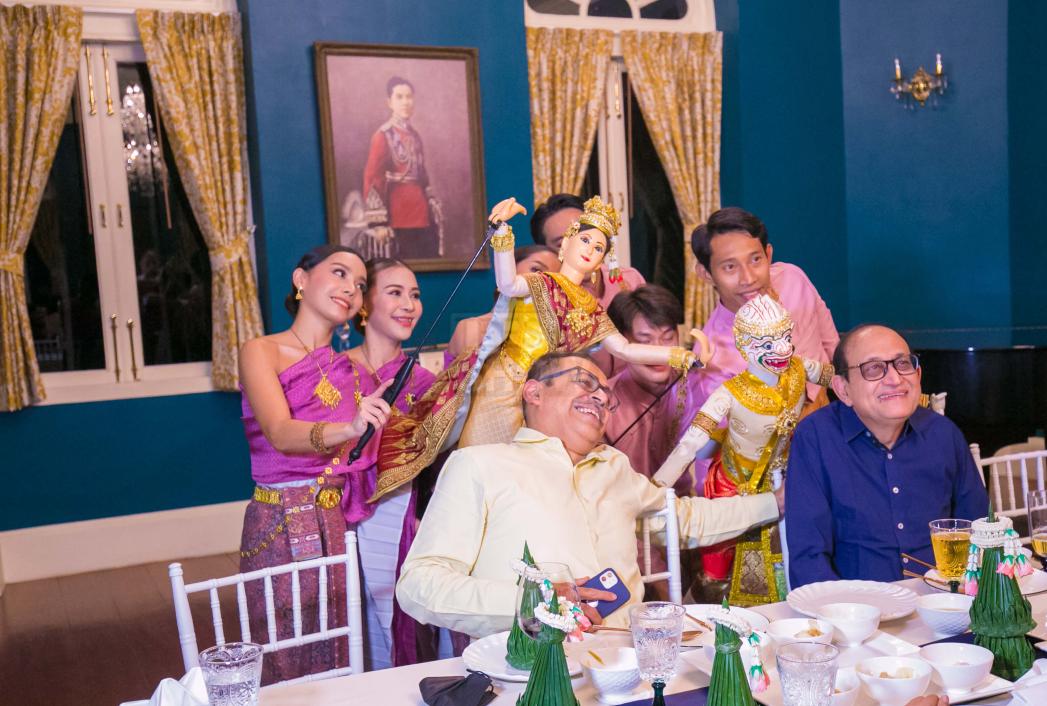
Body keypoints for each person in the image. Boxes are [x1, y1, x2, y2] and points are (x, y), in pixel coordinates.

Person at [395, 351, 783, 637]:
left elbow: (684, 520)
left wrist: (776, 503)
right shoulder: (480, 465)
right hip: (538, 663)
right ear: (534, 392)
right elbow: (419, 584)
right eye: (584, 382)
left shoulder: (614, 468)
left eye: (607, 396)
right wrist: (535, 601)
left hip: (634, 656)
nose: (600, 397)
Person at [369, 196, 713, 507]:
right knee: (482, 466)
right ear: (567, 243)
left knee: (535, 483)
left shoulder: (591, 310)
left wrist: (680, 356)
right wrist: (503, 234)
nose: (590, 250)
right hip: (503, 384)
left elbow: (624, 349)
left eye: (599, 247)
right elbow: (507, 284)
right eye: (585, 240)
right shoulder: (540, 283)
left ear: (602, 262)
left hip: (549, 399)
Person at [237, 245, 394, 683]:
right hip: (278, 521)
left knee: (338, 649)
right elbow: (279, 432)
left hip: (335, 521)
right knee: (282, 649)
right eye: (339, 273)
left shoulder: (356, 374)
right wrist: (349, 429)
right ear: (301, 279)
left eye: (360, 284)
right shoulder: (261, 351)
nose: (350, 289)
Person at [655, 295, 834, 606]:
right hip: (735, 483)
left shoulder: (799, 367)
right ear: (745, 346)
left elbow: (840, 378)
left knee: (803, 552)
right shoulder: (729, 393)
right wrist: (654, 490)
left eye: (786, 337)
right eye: (768, 344)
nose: (783, 349)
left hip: (788, 478)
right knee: (717, 571)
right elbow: (691, 443)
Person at [785, 324, 989, 587]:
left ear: (918, 374)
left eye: (903, 364)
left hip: (943, 600)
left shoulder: (943, 434)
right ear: (843, 389)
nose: (894, 379)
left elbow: (981, 533)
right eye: (873, 368)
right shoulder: (816, 438)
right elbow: (809, 559)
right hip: (856, 606)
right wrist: (845, 610)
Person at [343, 258, 437, 669]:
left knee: (393, 621)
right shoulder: (333, 372)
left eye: (414, 295)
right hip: (337, 513)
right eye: (395, 293)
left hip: (398, 514)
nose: (409, 305)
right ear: (364, 303)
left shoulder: (425, 383)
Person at [603, 284, 692, 491]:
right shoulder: (604, 402)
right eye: (644, 340)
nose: (659, 351)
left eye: (668, 338)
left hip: (686, 505)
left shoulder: (693, 388)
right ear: (621, 344)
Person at [362, 76, 442, 259]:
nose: (405, 102)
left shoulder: (415, 135)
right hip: (398, 215)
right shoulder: (383, 135)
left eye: (409, 97)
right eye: (399, 97)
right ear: (389, 102)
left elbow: (422, 175)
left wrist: (432, 203)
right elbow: (372, 177)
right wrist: (378, 223)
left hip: (422, 214)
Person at [445, 244, 560, 362]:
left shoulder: (552, 338)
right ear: (507, 270)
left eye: (552, 280)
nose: (542, 283)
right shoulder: (473, 329)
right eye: (536, 269)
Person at [530, 193, 645, 309]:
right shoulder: (547, 299)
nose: (581, 249)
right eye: (561, 243)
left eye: (585, 239)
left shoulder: (630, 280)